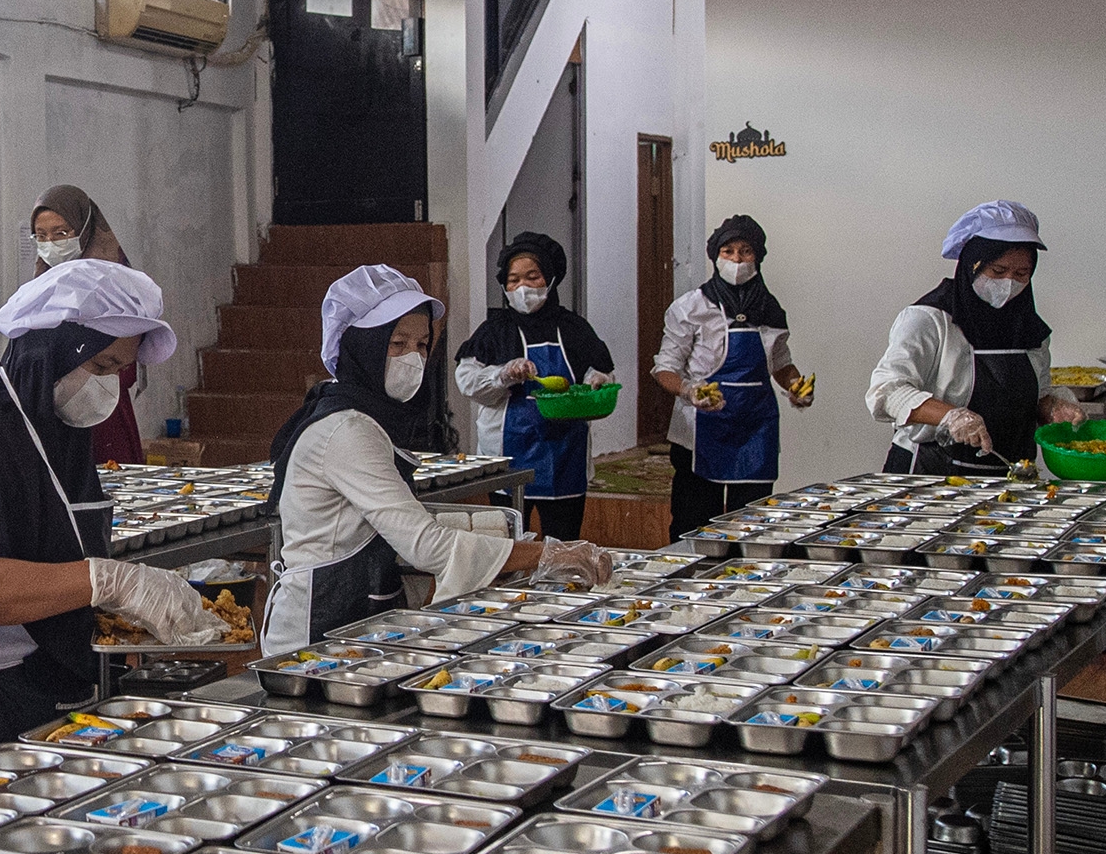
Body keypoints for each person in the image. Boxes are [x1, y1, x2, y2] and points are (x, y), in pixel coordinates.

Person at [0, 259, 225, 781]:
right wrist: (107, 581)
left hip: (31, 684)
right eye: (102, 367)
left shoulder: (54, 422)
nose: (109, 386)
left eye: (120, 372)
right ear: (56, 350)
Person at [265, 266, 607, 653]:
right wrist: (547, 554)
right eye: (397, 343)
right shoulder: (345, 430)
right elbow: (425, 545)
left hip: (356, 614)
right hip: (314, 630)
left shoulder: (367, 416)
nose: (413, 357)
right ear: (362, 346)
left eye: (423, 345)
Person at [866, 200, 1085, 476]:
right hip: (929, 475)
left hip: (1009, 475)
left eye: (1021, 274)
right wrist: (950, 416)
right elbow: (886, 392)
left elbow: (1035, 395)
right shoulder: (929, 319)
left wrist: (1052, 407)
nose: (1009, 283)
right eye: (998, 271)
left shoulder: (1029, 329)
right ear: (973, 264)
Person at [650, 215, 813, 539]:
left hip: (756, 429)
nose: (737, 260)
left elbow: (780, 363)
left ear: (758, 257)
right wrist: (689, 390)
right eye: (728, 251)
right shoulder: (690, 307)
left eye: (745, 251)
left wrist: (796, 386)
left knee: (752, 526)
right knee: (694, 525)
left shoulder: (770, 309)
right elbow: (665, 368)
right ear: (716, 256)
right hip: (700, 432)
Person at [454, 232, 616, 540]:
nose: (523, 288)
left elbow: (601, 371)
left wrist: (598, 381)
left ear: (550, 279)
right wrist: (504, 374)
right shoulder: (493, 331)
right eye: (513, 280)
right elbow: (468, 383)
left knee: (565, 543)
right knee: (508, 543)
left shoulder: (574, 328)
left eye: (533, 277)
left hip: (566, 454)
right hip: (506, 457)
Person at [31, 185, 145, 465]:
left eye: (61, 233)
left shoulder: (115, 283)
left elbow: (125, 360)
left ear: (85, 230)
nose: (51, 244)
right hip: (51, 416)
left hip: (102, 410)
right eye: (41, 236)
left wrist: (92, 367)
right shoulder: (40, 286)